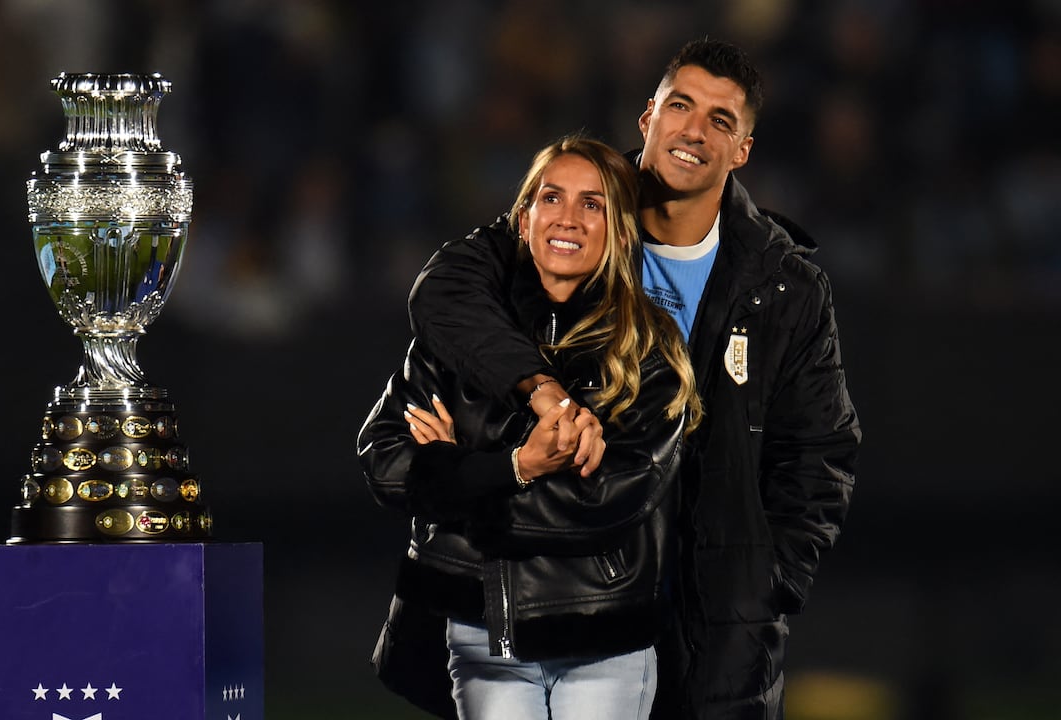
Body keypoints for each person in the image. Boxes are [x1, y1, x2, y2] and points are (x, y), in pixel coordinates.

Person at [405, 39, 861, 720]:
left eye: (720, 120)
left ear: (742, 151)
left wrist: (765, 583)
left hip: (715, 633)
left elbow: (820, 453)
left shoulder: (786, 287)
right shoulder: (570, 216)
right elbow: (444, 290)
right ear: (648, 116)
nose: (694, 131)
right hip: (566, 615)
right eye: (681, 106)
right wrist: (539, 389)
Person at [358, 135, 701, 720]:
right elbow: (384, 459)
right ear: (523, 219)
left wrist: (460, 483)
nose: (568, 217)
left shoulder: (650, 348)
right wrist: (516, 466)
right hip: (479, 633)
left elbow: (611, 499)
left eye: (592, 204)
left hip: (605, 641)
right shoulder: (461, 337)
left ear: (620, 230)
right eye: (552, 197)